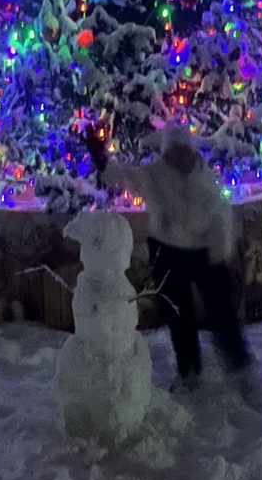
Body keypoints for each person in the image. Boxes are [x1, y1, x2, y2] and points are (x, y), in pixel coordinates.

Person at [85, 123, 250, 389]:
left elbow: (220, 214)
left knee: (221, 310)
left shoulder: (204, 176)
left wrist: (218, 254)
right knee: (179, 316)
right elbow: (123, 175)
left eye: (183, 149)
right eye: (172, 150)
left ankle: (238, 365)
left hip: (203, 252)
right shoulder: (154, 175)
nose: (178, 155)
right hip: (167, 250)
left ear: (190, 149)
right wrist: (101, 159)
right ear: (165, 152)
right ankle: (189, 371)